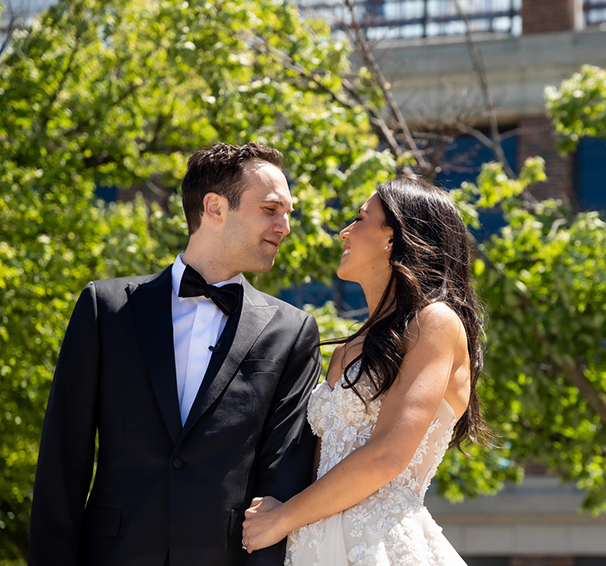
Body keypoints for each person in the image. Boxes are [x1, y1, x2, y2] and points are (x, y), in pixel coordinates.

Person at [28, 142, 321, 566]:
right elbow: (62, 459)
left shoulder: (292, 332)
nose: (285, 227)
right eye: (271, 209)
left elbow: (281, 481)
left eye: (287, 213)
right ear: (215, 208)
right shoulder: (105, 309)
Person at [241, 177, 484, 565]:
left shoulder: (435, 322)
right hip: (311, 547)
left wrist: (282, 518)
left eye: (359, 218)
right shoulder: (346, 350)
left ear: (393, 237)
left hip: (380, 547)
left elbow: (388, 454)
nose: (344, 232)